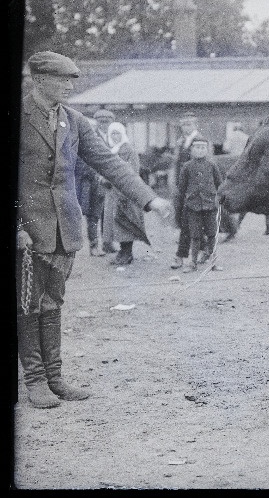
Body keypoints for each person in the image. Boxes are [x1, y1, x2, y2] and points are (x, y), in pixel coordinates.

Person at [17, 51, 172, 409]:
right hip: (28, 230)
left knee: (52, 302)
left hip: (65, 228)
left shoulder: (73, 121)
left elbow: (110, 163)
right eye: (62, 79)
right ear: (39, 79)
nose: (70, 86)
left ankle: (55, 378)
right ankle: (35, 380)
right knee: (27, 303)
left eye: (72, 80)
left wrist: (150, 199)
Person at [104, 122, 151, 265]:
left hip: (126, 192)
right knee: (115, 224)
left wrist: (123, 186)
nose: (115, 136)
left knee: (126, 222)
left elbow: (133, 171)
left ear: (123, 134)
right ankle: (122, 251)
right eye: (112, 134)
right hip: (112, 192)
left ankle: (127, 252)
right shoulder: (109, 150)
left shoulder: (129, 150)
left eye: (117, 133)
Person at [176, 137, 223, 273]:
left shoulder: (212, 165)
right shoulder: (187, 166)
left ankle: (213, 263)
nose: (200, 150)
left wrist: (218, 199)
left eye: (203, 148)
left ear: (207, 150)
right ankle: (193, 263)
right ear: (192, 150)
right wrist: (184, 202)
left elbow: (219, 184)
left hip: (210, 206)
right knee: (195, 236)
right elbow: (181, 187)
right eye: (197, 147)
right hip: (193, 206)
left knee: (212, 235)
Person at [171, 111, 204, 270]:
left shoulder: (200, 141)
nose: (186, 127)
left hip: (195, 189)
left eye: (189, 124)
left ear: (195, 125)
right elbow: (176, 165)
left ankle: (180, 256)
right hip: (182, 188)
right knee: (190, 222)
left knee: (187, 222)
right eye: (183, 124)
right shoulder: (181, 142)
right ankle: (205, 251)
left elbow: (204, 166)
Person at [92, 109, 119, 255]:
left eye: (107, 122)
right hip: (94, 180)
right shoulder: (91, 136)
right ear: (97, 123)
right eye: (101, 122)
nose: (104, 125)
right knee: (93, 213)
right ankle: (94, 244)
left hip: (109, 181)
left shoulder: (113, 137)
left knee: (108, 213)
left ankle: (107, 242)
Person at [74, 144, 106, 257]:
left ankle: (103, 245)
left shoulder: (97, 150)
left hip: (98, 187)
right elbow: (79, 168)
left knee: (98, 216)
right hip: (85, 188)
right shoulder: (78, 151)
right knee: (91, 217)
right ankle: (93, 247)